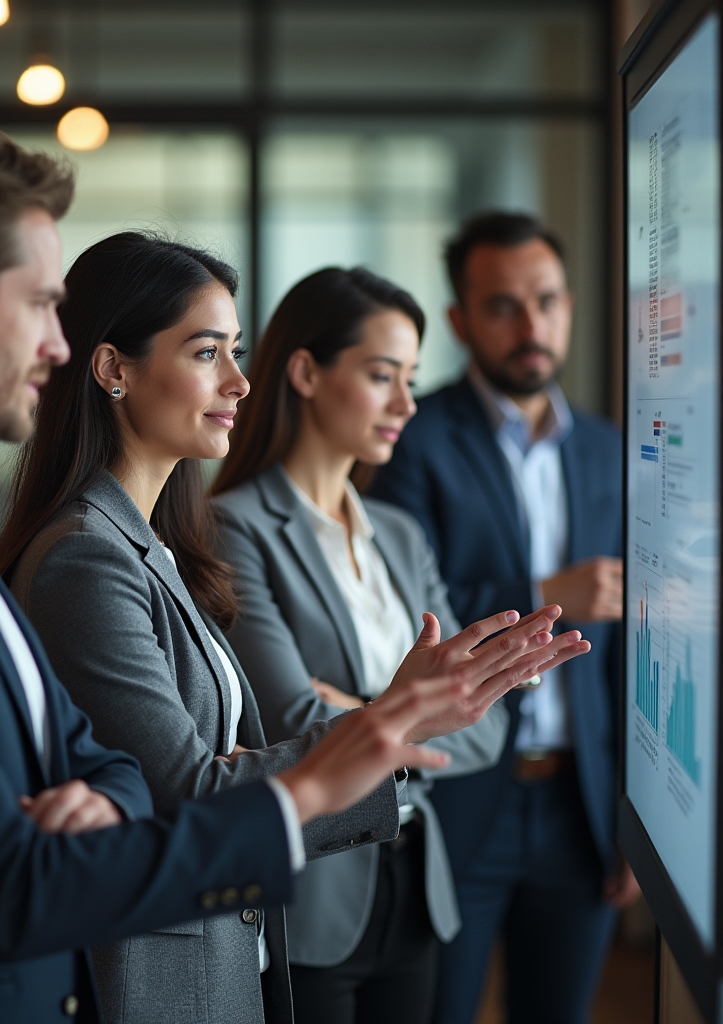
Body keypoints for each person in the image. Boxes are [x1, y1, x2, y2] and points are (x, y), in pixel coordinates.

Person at [0, 117, 492, 1024]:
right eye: (41, 305)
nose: (56, 345)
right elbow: (10, 875)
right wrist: (328, 771)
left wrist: (107, 802)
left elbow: (104, 768)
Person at [0, 231, 591, 1024]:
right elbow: (191, 796)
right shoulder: (86, 560)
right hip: (167, 975)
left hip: (237, 947)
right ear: (112, 369)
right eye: (208, 353)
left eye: (235, 352)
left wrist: (357, 721)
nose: (240, 382)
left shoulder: (159, 545)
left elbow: (221, 766)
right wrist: (391, 720)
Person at [211, 267, 513, 1024]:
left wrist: (366, 712)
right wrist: (428, 708)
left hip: (414, 885)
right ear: (307, 371)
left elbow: (489, 725)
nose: (407, 404)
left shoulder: (402, 537)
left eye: (411, 378)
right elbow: (288, 717)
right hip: (312, 892)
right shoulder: (233, 527)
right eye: (383, 376)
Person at [369, 211, 638, 1024]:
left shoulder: (607, 448)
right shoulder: (414, 439)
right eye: (503, 306)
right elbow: (398, 607)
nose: (532, 326)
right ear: (459, 320)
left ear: (569, 304)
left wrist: (633, 809)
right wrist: (547, 585)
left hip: (579, 802)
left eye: (547, 300)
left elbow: (628, 645)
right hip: (458, 798)